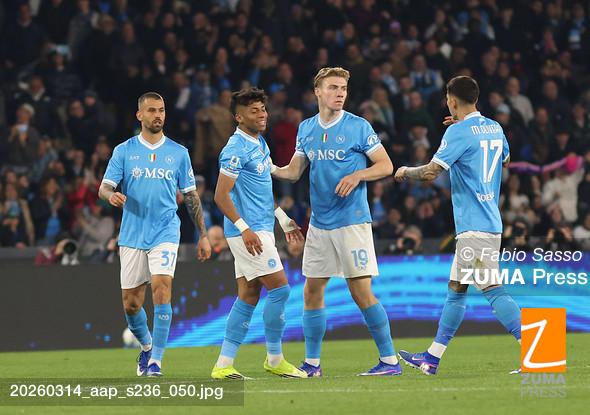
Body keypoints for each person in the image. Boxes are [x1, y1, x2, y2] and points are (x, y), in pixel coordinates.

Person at [271, 67, 400, 377]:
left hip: (352, 222)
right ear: (318, 91)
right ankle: (312, 364)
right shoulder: (306, 128)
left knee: (360, 292)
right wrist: (267, 167)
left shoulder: (358, 126)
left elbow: (386, 165)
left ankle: (389, 361)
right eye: (333, 87)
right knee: (311, 290)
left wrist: (358, 175)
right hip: (319, 224)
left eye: (343, 88)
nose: (340, 93)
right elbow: (294, 171)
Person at [394, 76, 521, 375]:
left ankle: (543, 353)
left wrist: (405, 171)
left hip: (475, 225)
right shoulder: (494, 127)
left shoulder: (458, 132)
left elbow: (430, 173)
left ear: (451, 100)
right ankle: (432, 358)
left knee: (492, 289)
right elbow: (505, 159)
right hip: (488, 221)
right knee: (456, 288)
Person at [99, 92, 211, 377]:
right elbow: (104, 187)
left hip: (165, 230)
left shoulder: (178, 153)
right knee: (131, 304)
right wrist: (111, 196)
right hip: (132, 233)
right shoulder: (124, 151)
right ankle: (147, 346)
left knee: (162, 288)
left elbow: (190, 195)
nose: (158, 115)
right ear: (140, 115)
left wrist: (203, 234)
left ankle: (156, 362)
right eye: (151, 110)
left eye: (161, 110)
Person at [211, 87, 307, 380]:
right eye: (254, 111)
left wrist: (283, 218)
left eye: (263, 109)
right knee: (280, 289)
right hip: (248, 231)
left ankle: (223, 365)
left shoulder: (259, 143)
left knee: (249, 295)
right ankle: (275, 358)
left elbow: (262, 190)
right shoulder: (234, 149)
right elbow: (220, 196)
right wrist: (245, 229)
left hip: (260, 227)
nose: (262, 114)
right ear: (239, 117)